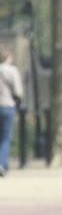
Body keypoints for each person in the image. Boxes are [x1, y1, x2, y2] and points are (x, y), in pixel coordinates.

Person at [0, 48, 23, 177]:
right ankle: (2, 164)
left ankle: (5, 165)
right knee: (5, 137)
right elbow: (18, 91)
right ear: (8, 57)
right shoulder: (11, 70)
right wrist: (18, 102)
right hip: (7, 105)